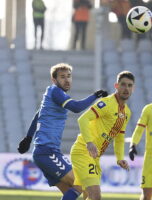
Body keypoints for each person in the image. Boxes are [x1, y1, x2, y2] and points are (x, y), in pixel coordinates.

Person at [17, 63, 107, 200]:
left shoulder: (51, 94)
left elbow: (38, 115)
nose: (67, 80)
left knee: (71, 191)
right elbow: (76, 107)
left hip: (45, 152)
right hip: (48, 152)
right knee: (81, 185)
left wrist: (28, 138)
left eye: (69, 76)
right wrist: (95, 95)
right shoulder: (56, 92)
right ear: (54, 80)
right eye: (62, 77)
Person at [70, 71, 135, 200]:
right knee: (96, 195)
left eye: (129, 85)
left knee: (84, 194)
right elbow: (82, 119)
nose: (126, 88)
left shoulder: (127, 112)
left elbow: (120, 137)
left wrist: (120, 158)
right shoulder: (106, 103)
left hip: (95, 157)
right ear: (116, 86)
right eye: (123, 85)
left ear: (133, 88)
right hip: (83, 150)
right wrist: (89, 142)